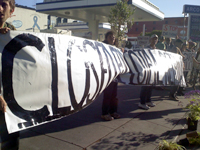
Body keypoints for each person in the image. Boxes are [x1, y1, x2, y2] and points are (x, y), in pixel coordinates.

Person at [0, 0, 20, 149]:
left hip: (10, 103)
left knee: (10, 141)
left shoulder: (13, 33)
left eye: (3, 4)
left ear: (11, 11)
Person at [101, 31, 121, 121]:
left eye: (113, 37)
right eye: (110, 37)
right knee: (108, 95)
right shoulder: (102, 47)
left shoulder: (116, 48)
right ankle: (104, 113)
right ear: (106, 38)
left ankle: (113, 111)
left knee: (114, 95)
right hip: (108, 75)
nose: (112, 38)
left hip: (115, 75)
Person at [138, 34, 158, 110]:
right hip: (147, 69)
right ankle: (142, 102)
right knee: (145, 86)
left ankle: (148, 100)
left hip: (153, 70)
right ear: (150, 40)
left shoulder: (156, 49)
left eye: (156, 39)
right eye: (153, 39)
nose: (155, 40)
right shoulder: (147, 48)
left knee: (150, 86)